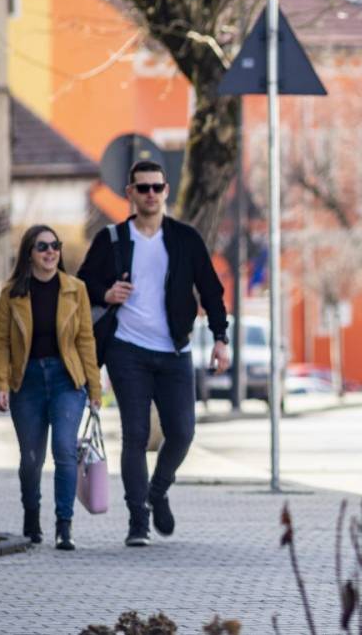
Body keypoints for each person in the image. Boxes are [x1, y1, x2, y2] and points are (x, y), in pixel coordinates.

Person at [77, 160, 230, 547]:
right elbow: (80, 287)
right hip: (127, 350)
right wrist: (106, 293)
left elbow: (211, 290)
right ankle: (137, 520)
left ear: (165, 191)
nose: (149, 194)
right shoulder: (111, 239)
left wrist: (221, 337)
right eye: (141, 188)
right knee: (135, 435)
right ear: (129, 193)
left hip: (174, 350)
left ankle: (158, 490)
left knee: (182, 432)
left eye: (156, 188)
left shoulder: (185, 239)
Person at [0, 225, 102, 551]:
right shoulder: (11, 293)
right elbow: (0, 344)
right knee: (31, 459)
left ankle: (63, 527)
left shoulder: (74, 289)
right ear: (29, 254)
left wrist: (94, 389)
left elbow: (85, 340)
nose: (51, 252)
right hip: (28, 383)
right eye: (42, 247)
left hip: (67, 379)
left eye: (55, 246)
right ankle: (31, 517)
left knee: (65, 450)